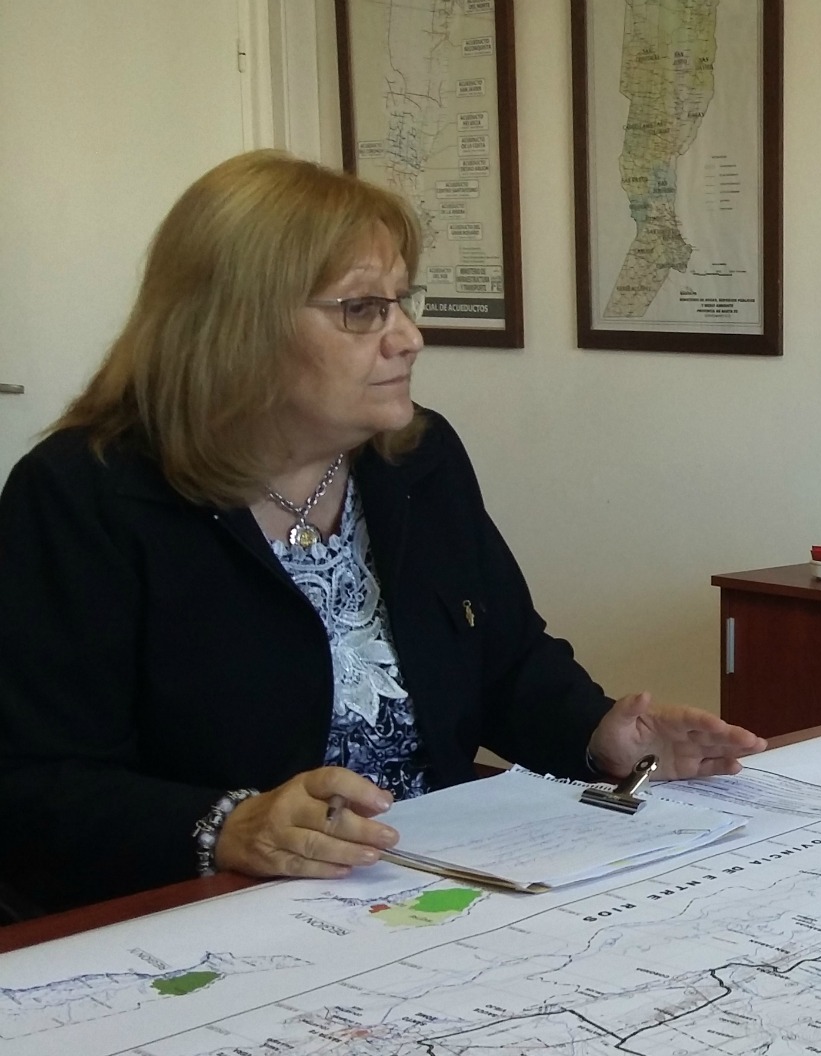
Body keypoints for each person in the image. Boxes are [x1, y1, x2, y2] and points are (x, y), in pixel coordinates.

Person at [0, 151, 766, 915]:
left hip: (436, 885)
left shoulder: (417, 459)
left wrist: (600, 733)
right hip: (206, 914)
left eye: (402, 302)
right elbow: (33, 782)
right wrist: (228, 826)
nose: (409, 337)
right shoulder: (83, 494)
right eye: (363, 309)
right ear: (238, 324)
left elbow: (504, 661)